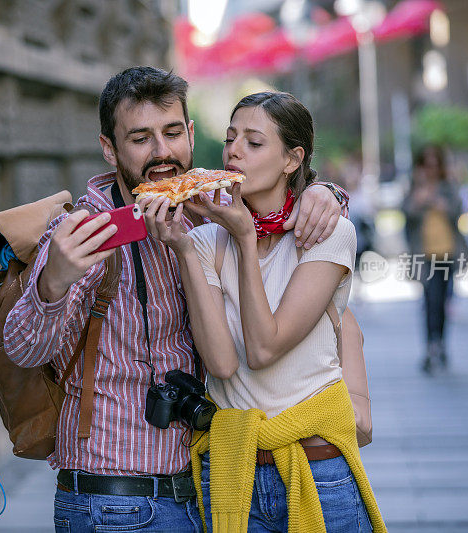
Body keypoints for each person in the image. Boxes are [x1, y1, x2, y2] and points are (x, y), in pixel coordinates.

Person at [2, 67, 351, 532]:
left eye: (171, 133)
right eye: (140, 138)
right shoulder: (89, 231)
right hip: (115, 500)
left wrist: (326, 193)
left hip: (201, 487)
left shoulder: (202, 216)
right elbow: (24, 349)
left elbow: (277, 205)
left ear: (189, 134)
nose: (161, 152)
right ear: (110, 148)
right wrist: (53, 282)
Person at [143, 91, 384, 532]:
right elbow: (221, 362)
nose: (233, 150)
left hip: (318, 471)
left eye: (253, 143)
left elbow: (263, 347)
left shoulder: (329, 235)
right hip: (235, 473)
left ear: (292, 159)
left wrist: (245, 240)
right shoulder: (202, 241)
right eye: (230, 138)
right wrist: (181, 247)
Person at [403, 145, 468, 374]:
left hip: (446, 253)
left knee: (442, 301)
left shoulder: (448, 187)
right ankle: (432, 346)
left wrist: (441, 203)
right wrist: (419, 198)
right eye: (426, 164)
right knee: (430, 300)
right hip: (425, 255)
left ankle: (439, 343)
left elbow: (458, 210)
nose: (430, 169)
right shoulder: (415, 188)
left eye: (434, 164)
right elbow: (406, 213)